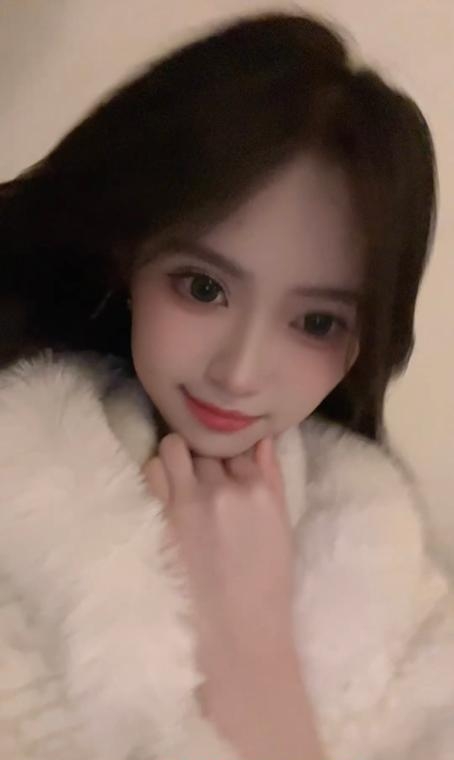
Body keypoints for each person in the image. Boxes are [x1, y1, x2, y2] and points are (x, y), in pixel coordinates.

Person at [0, 11, 453, 760]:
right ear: (128, 256)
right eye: (204, 287)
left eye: (315, 322)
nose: (239, 374)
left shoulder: (381, 552)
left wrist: (257, 659)